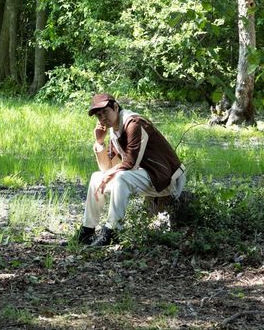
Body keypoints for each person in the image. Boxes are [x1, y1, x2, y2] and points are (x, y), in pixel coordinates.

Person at [73, 92, 185, 247]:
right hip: (144, 176)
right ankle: (87, 231)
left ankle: (112, 231)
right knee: (96, 177)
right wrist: (99, 142)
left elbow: (130, 163)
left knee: (120, 177)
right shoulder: (115, 130)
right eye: (99, 115)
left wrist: (110, 174)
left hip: (166, 179)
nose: (102, 118)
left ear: (116, 107)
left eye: (105, 112)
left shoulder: (134, 123)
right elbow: (107, 167)